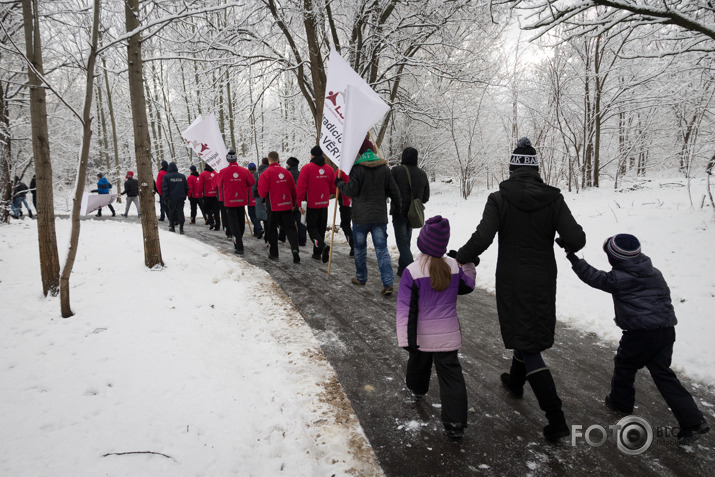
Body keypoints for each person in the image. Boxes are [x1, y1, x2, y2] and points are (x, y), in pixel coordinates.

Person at [455, 137, 586, 442]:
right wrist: (563, 241)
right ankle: (516, 381)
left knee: (527, 342)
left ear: (513, 168)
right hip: (542, 277)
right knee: (527, 331)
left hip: (512, 277)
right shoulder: (553, 199)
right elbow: (576, 239)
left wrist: (459, 256)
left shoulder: (499, 199)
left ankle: (556, 418)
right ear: (536, 169)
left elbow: (483, 237)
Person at [563, 234, 710, 444]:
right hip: (666, 330)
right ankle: (693, 421)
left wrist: (572, 257)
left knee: (625, 365)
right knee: (663, 374)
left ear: (616, 259)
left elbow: (594, 278)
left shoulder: (619, 278)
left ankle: (619, 402)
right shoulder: (654, 272)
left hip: (641, 333)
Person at [396, 216, 476, 440]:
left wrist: (406, 340)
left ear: (422, 242)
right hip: (448, 337)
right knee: (452, 377)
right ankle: (455, 423)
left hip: (421, 337)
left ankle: (416, 389)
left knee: (418, 365)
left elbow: (405, 309)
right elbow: (467, 286)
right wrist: (468, 264)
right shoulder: (453, 266)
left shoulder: (412, 271)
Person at [335, 139, 401, 296]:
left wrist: (339, 184)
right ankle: (388, 283)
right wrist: (397, 208)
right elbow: (395, 191)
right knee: (382, 249)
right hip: (379, 216)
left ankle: (361, 278)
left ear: (360, 152)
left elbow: (351, 191)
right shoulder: (384, 169)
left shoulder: (357, 169)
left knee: (359, 249)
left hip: (360, 217)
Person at [391, 147, 430, 276]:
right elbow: (425, 198)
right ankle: (402, 269)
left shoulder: (396, 171)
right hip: (413, 214)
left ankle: (413, 272)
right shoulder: (422, 174)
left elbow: (388, 189)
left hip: (399, 211)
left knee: (402, 242)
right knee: (406, 241)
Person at [257, 151, 300, 263]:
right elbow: (293, 190)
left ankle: (274, 254)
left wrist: (264, 197)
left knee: (272, 230)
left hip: (273, 207)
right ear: (278, 159)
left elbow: (262, 192)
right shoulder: (287, 173)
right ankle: (295, 250)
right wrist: (293, 203)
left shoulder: (266, 174)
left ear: (269, 159)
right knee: (290, 229)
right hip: (286, 206)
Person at [297, 146, 335, 262]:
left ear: (312, 155)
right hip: (324, 204)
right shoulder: (329, 169)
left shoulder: (307, 168)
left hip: (312, 204)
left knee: (312, 228)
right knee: (321, 229)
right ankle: (317, 253)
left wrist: (299, 203)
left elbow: (301, 187)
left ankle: (322, 246)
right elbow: (333, 188)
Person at [218, 149, 255, 254]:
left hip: (229, 201)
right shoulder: (244, 171)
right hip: (241, 200)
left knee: (233, 223)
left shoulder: (223, 172)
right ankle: (239, 239)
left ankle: (238, 244)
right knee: (240, 221)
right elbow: (251, 182)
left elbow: (219, 185)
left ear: (227, 160)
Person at [282, 156, 307, 246]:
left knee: (287, 222)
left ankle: (285, 238)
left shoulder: (286, 175)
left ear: (289, 165)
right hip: (301, 202)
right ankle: (302, 240)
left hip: (289, 202)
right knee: (301, 222)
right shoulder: (301, 174)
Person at [162, 162, 189, 234]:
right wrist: (184, 195)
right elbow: (186, 187)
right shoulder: (182, 176)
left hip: (171, 198)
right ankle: (181, 229)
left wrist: (165, 198)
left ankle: (172, 227)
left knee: (171, 212)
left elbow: (165, 188)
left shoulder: (166, 177)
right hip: (180, 198)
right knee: (180, 212)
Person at [253, 157, 270, 242]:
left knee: (266, 219)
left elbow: (257, 185)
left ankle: (268, 237)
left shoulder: (261, 173)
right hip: (271, 198)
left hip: (263, 197)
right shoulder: (271, 170)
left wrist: (255, 193)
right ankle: (268, 236)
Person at [337, 170, 354, 256]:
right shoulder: (359, 165)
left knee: (345, 224)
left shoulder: (341, 170)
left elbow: (336, 184)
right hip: (357, 201)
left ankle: (353, 244)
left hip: (345, 202)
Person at [246, 162, 264, 239]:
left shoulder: (247, 176)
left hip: (250, 198)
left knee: (252, 215)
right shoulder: (259, 175)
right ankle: (257, 232)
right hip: (258, 198)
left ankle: (259, 228)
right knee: (257, 216)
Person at [200, 164, 220, 230]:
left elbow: (200, 185)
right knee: (216, 211)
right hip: (216, 195)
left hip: (207, 195)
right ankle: (218, 225)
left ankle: (211, 222)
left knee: (206, 209)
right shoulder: (216, 173)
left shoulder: (203, 174)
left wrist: (200, 194)